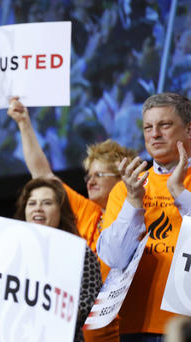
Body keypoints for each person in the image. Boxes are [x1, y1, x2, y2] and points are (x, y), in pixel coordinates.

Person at [7, 97, 137, 342]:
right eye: (88, 175)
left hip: (126, 331)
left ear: (123, 177)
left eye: (99, 174)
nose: (90, 181)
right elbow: (43, 174)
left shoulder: (139, 217)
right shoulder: (89, 212)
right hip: (81, 332)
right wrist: (24, 122)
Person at [97, 92, 191, 341]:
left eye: (165, 125)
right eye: (148, 127)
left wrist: (179, 193)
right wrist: (133, 202)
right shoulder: (126, 188)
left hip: (185, 325)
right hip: (136, 326)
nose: (154, 134)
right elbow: (114, 258)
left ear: (189, 129)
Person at [15, 178, 103, 342]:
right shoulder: (10, 250)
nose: (38, 208)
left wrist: (49, 317)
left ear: (61, 211)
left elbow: (89, 303)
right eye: (32, 203)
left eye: (47, 203)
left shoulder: (80, 252)